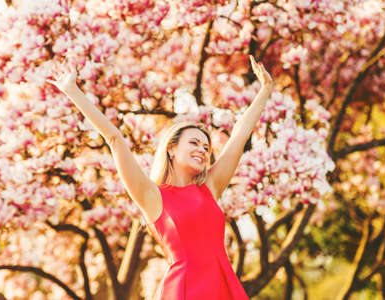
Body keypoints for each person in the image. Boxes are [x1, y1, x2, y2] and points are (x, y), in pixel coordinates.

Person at [47, 55, 273, 300]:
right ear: (172, 149)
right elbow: (114, 138)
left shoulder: (210, 187)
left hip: (222, 284)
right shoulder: (152, 196)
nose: (202, 150)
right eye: (194, 143)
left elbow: (239, 137)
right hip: (184, 290)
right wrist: (72, 90)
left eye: (206, 147)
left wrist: (265, 90)